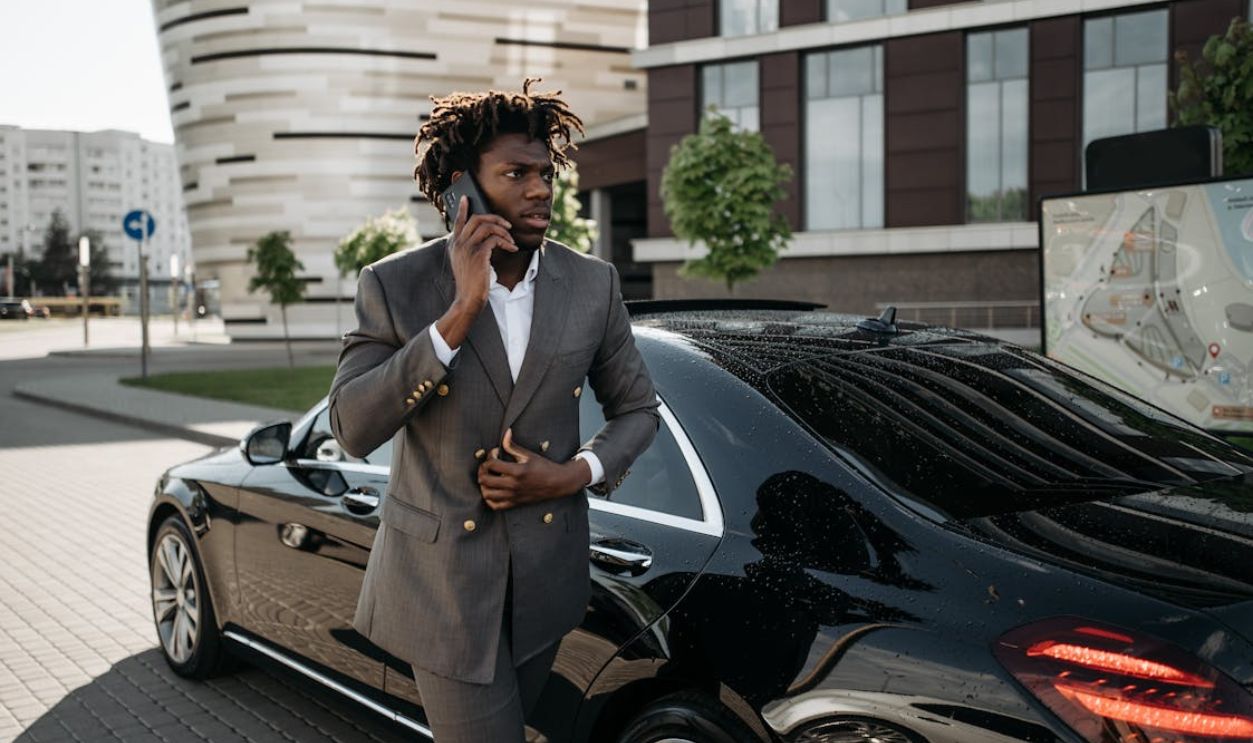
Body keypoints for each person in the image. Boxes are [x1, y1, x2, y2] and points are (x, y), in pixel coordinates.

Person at [328, 79, 660, 742]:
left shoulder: (591, 284)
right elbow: (351, 428)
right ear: (462, 191)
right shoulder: (395, 284)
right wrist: (459, 313)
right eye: (516, 174)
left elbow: (638, 409)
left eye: (545, 173)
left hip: (546, 579)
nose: (540, 190)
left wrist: (570, 475)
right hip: (442, 590)